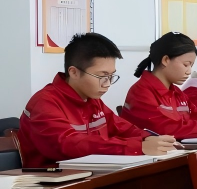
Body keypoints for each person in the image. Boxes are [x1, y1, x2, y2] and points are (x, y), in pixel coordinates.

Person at [18, 33, 177, 166]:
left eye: (111, 76)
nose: (107, 84)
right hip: (50, 183)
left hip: (89, 175)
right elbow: (69, 145)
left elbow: (121, 127)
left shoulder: (91, 98)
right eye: (102, 76)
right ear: (74, 72)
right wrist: (138, 147)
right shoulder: (44, 103)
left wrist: (151, 139)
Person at [122, 32, 197, 139]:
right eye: (186, 65)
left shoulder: (176, 92)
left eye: (191, 66)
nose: (189, 71)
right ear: (166, 60)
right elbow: (166, 128)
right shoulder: (141, 92)